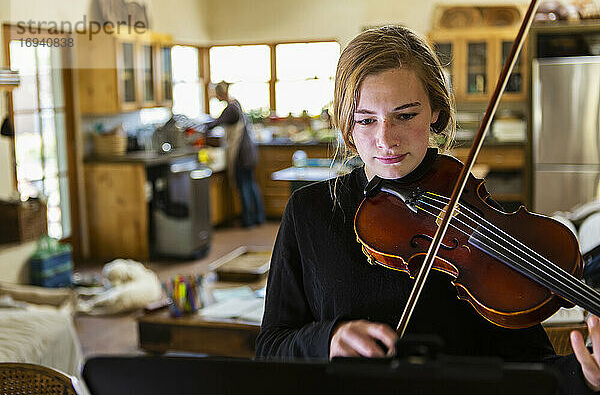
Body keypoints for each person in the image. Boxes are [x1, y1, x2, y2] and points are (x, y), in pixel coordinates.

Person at [256, 25, 600, 393]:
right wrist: (326, 340)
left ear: (435, 112)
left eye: (405, 116)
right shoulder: (309, 211)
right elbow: (271, 347)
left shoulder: (470, 212)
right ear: (345, 122)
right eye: (366, 119)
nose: (385, 140)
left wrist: (586, 376)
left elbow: (531, 367)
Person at [204, 81, 265, 227]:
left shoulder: (230, 109)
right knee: (251, 184)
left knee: (244, 184)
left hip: (241, 154)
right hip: (249, 152)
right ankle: (258, 217)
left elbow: (215, 123)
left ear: (220, 94)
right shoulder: (236, 104)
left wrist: (200, 126)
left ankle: (248, 220)